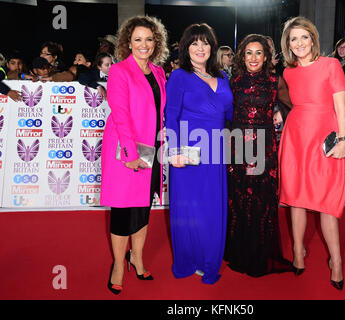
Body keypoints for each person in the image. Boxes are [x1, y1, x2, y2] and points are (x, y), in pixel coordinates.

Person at [278, 16, 345, 290]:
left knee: (325, 202)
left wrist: (343, 140)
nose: (299, 43)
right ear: (288, 43)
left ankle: (337, 261)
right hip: (295, 137)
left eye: (303, 37)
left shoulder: (331, 65)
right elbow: (287, 103)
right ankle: (297, 253)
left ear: (313, 39)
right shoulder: (288, 72)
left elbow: (340, 108)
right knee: (296, 199)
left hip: (325, 138)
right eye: (293, 38)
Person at [100, 15, 169, 295]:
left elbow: (159, 111)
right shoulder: (119, 71)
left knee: (142, 208)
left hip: (149, 150)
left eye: (149, 39)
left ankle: (136, 257)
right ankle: (118, 264)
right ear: (128, 42)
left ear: (156, 43)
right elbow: (121, 114)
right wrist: (129, 153)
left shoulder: (159, 73)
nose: (144, 44)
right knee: (122, 210)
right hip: (124, 150)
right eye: (138, 39)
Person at [165, 23, 233, 285]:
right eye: (195, 43)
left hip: (215, 150)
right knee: (188, 209)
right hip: (188, 151)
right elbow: (171, 115)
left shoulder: (224, 77)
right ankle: (189, 259)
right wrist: (174, 151)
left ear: (212, 47)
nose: (201, 47)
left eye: (205, 42)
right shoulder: (180, 76)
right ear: (186, 48)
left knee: (212, 208)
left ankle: (209, 260)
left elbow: (229, 115)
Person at [224, 33, 293, 277]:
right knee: (239, 199)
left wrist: (283, 115)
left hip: (264, 147)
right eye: (249, 53)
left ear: (266, 57)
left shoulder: (276, 82)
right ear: (242, 56)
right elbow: (223, 114)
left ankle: (259, 254)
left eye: (259, 53)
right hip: (237, 147)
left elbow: (294, 106)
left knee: (262, 200)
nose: (254, 58)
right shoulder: (233, 82)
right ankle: (238, 252)